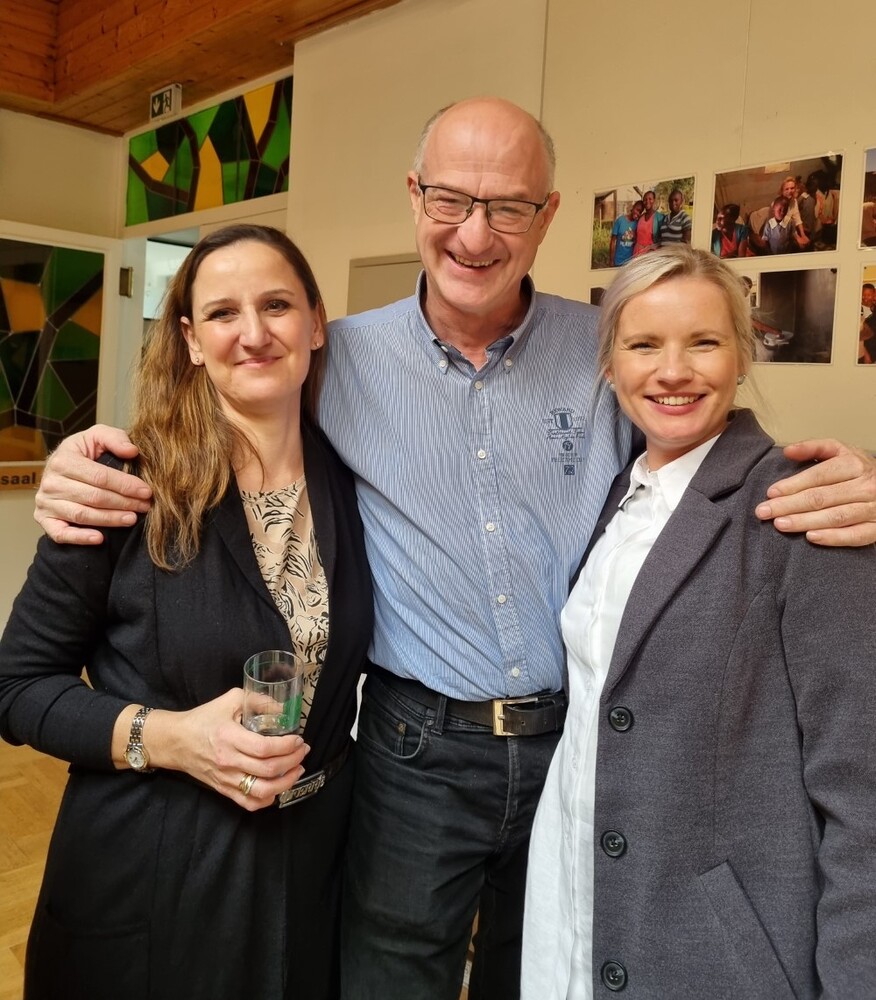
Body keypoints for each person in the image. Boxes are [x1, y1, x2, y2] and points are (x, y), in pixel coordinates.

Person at [29, 98, 876, 1000]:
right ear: (414, 196)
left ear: (548, 215)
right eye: (450, 200)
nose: (475, 234)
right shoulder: (338, 359)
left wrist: (857, 477)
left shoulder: (606, 351)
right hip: (414, 752)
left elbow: (700, 449)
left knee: (549, 971)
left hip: (577, 742)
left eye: (507, 206)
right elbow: (232, 395)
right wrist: (77, 461)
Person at [0, 225, 373, 1000]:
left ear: (316, 322)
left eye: (277, 305)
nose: (253, 333)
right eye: (223, 313)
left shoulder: (355, 478)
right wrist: (170, 738)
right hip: (155, 867)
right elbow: (17, 686)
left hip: (311, 867)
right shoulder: (126, 483)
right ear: (192, 340)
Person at [522, 246, 876, 999]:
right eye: (644, 345)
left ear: (743, 355)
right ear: (610, 365)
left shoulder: (800, 510)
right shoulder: (616, 495)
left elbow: (861, 793)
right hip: (576, 896)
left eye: (704, 342)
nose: (672, 371)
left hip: (713, 947)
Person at [609, 199, 643, 266]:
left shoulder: (638, 224)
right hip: (618, 261)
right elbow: (613, 241)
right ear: (633, 207)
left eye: (640, 212)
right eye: (637, 210)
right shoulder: (620, 221)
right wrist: (611, 260)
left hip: (630, 262)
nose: (638, 213)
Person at [632, 188, 664, 255]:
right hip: (637, 252)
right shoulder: (641, 217)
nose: (647, 201)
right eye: (645, 199)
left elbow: (664, 238)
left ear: (654, 200)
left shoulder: (659, 218)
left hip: (650, 254)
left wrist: (656, 246)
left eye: (650, 199)